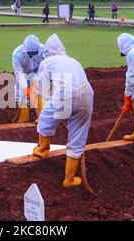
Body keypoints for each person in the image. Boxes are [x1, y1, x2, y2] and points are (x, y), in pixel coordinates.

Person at [32, 34, 94, 189]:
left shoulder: (46, 63)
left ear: (46, 52)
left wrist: (44, 112)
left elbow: (43, 91)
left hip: (66, 94)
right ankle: (69, 179)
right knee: (78, 135)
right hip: (87, 94)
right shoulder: (74, 61)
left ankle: (43, 149)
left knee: (46, 119)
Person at [12, 35, 45, 123]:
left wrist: (35, 85)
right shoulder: (17, 55)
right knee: (20, 94)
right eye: (30, 54)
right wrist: (26, 89)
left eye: (34, 54)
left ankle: (42, 118)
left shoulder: (43, 50)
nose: (32, 56)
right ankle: (23, 119)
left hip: (37, 71)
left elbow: (45, 67)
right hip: (24, 73)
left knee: (38, 91)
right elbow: (19, 74)